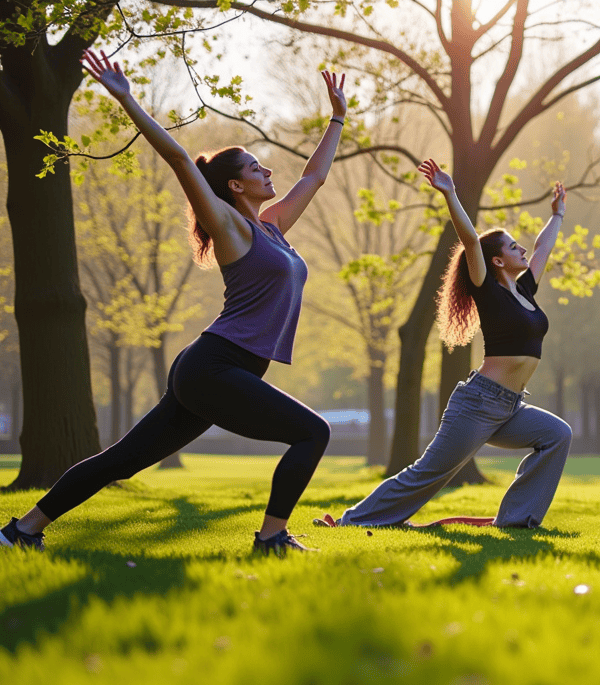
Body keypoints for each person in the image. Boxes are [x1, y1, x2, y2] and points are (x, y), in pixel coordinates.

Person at [0, 51, 344, 555]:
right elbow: (182, 160)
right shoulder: (231, 227)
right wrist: (126, 98)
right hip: (215, 368)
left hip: (216, 369)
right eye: (255, 166)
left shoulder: (272, 229)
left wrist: (336, 118)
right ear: (234, 185)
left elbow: (313, 178)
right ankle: (271, 539)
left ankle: (19, 531)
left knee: (125, 459)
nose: (267, 169)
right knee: (313, 433)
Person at [329, 160, 571, 529]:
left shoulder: (525, 290)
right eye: (512, 245)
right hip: (479, 404)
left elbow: (542, 248)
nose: (521, 248)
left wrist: (558, 215)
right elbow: (471, 239)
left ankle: (518, 519)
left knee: (557, 435)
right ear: (496, 260)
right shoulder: (487, 289)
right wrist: (450, 193)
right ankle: (353, 521)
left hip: (511, 407)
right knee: (429, 472)